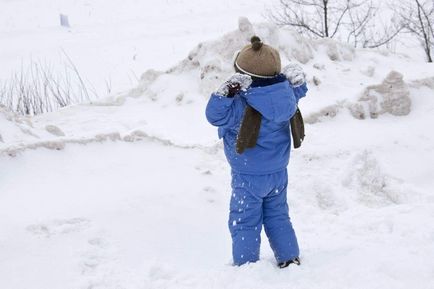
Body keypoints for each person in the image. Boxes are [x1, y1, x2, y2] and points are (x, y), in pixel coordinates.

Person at [205, 36, 308, 268]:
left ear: (243, 78)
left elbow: (214, 116)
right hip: (278, 174)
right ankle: (289, 258)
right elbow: (300, 90)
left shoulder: (240, 105)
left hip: (247, 177)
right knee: (278, 216)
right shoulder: (287, 96)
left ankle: (247, 267)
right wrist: (298, 81)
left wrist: (225, 94)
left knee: (244, 221)